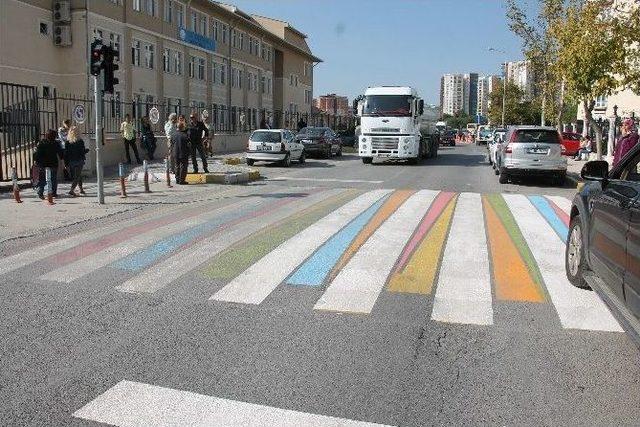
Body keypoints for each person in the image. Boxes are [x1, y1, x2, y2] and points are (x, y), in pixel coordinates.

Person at [33, 130, 63, 199]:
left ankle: (40, 193)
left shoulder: (41, 143)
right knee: (53, 179)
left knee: (42, 178)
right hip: (53, 163)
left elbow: (37, 154)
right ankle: (53, 193)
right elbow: (60, 153)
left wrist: (36, 161)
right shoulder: (56, 143)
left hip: (42, 164)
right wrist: (62, 158)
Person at [64, 127, 89, 196]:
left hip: (71, 161)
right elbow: (82, 151)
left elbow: (66, 153)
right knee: (77, 176)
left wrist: (66, 164)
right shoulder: (80, 141)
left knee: (78, 175)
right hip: (79, 160)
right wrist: (86, 150)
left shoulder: (67, 142)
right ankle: (71, 190)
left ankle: (81, 189)